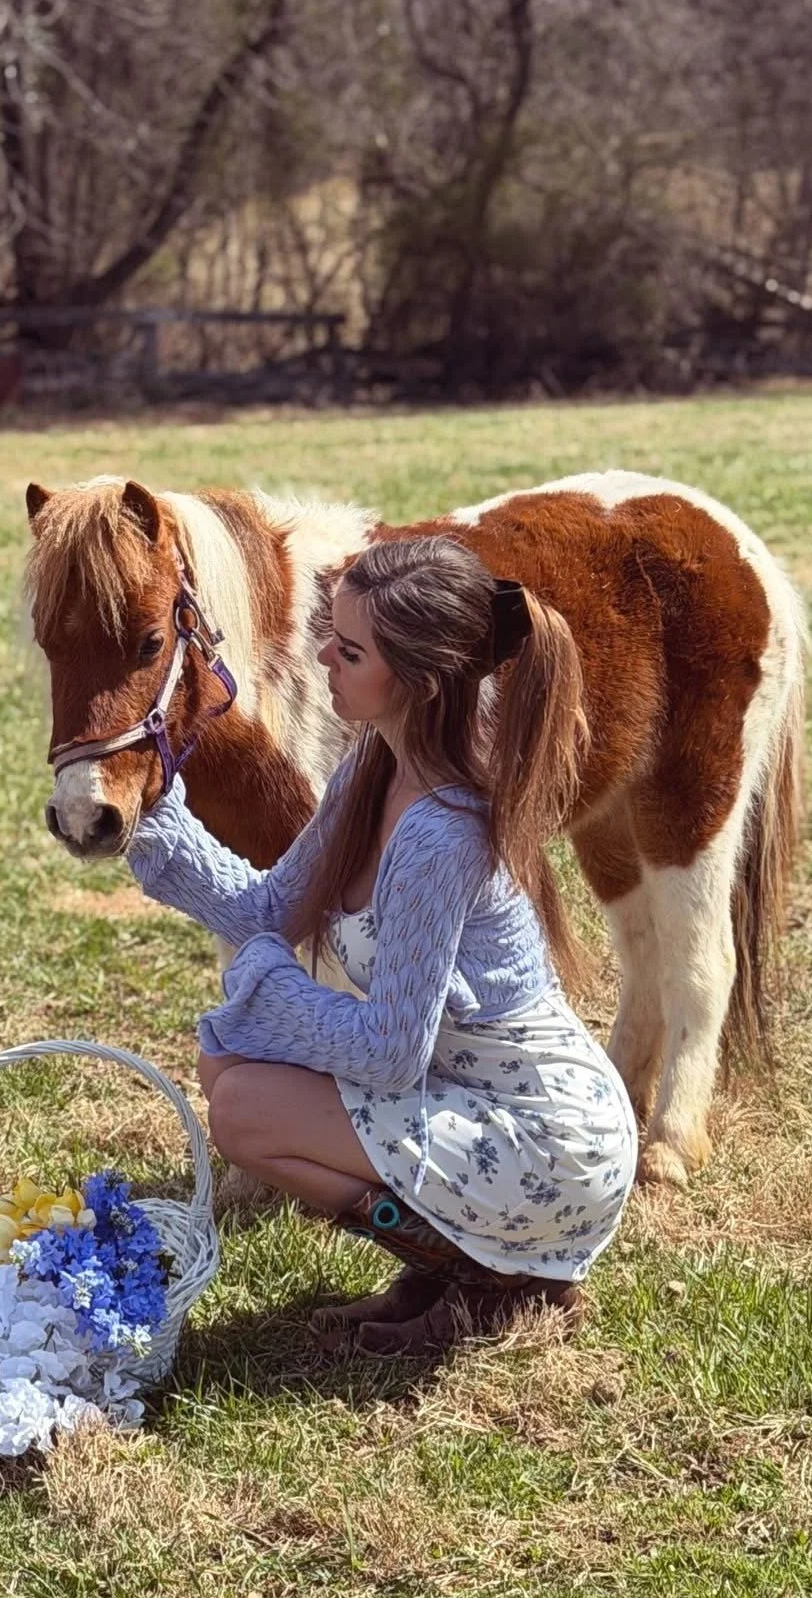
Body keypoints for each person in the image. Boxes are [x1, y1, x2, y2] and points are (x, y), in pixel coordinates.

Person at [124, 534, 638, 1356]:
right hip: (473, 1098)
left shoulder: (443, 833)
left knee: (248, 1110)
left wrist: (261, 980)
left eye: (350, 649)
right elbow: (269, 910)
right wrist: (156, 817)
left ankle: (493, 1280)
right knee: (233, 1077)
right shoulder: (372, 769)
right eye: (333, 632)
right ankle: (452, 1262)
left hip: (546, 1142)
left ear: (418, 683)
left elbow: (392, 1052)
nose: (322, 652)